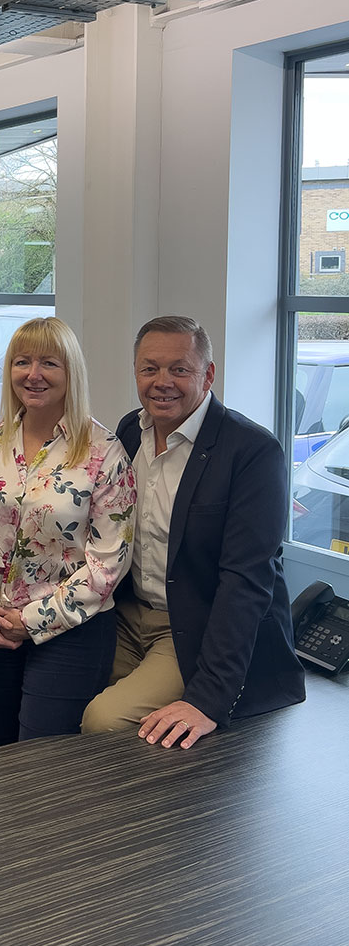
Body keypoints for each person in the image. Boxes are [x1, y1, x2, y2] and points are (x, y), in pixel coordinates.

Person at [82, 316, 306, 747]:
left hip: (193, 625)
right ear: (135, 372)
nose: (162, 382)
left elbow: (246, 583)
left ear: (208, 374)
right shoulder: (130, 431)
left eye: (179, 369)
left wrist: (207, 700)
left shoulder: (252, 452)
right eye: (149, 369)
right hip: (127, 614)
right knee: (57, 690)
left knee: (103, 722)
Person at [0, 316, 136, 746]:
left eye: (49, 363)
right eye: (22, 362)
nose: (33, 375)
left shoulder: (104, 452)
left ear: (71, 372)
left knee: (42, 760)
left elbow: (109, 562)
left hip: (71, 633)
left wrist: (30, 620)